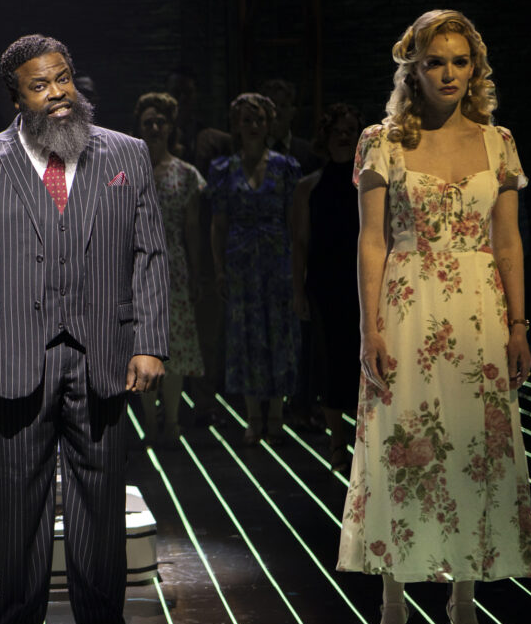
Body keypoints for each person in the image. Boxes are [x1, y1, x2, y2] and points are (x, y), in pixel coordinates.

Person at [0, 34, 168, 624]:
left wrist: (149, 342)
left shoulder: (125, 153)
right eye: (40, 85)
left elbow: (149, 252)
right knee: (19, 504)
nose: (58, 93)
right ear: (17, 97)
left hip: (102, 353)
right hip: (19, 354)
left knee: (100, 502)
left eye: (63, 78)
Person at [336, 10, 531, 624]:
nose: (448, 73)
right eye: (435, 62)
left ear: (474, 67)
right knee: (403, 448)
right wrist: (369, 328)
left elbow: (507, 241)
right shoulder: (382, 142)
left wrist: (518, 326)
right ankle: (393, 596)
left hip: (478, 311)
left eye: (459, 61)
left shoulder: (497, 142)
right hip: (408, 305)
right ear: (414, 69)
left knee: (473, 449)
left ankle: (464, 599)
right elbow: (371, 241)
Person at [209, 93, 302, 445]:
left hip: (277, 261)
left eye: (259, 119)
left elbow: (294, 221)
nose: (253, 126)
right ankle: (252, 416)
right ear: (236, 125)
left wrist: (298, 268)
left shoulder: (285, 166)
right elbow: (218, 224)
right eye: (246, 120)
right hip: (241, 263)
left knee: (279, 333)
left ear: (269, 124)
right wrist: (219, 268)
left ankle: (276, 414)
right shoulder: (224, 169)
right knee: (245, 335)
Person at [290, 103, 363, 474]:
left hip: (363, 283)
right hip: (325, 284)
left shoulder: (370, 183)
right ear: (326, 137)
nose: (344, 136)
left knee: (363, 362)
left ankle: (365, 445)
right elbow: (300, 242)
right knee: (330, 363)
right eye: (338, 131)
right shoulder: (309, 186)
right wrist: (298, 290)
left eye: (350, 130)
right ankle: (337, 444)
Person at [133, 92, 205, 444]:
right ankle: (149, 423)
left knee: (175, 347)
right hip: (135, 265)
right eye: (148, 123)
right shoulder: (126, 170)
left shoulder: (186, 173)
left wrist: (196, 274)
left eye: (160, 122)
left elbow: (192, 229)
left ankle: (173, 422)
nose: (154, 128)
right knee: (143, 345)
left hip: (173, 264)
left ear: (170, 127)